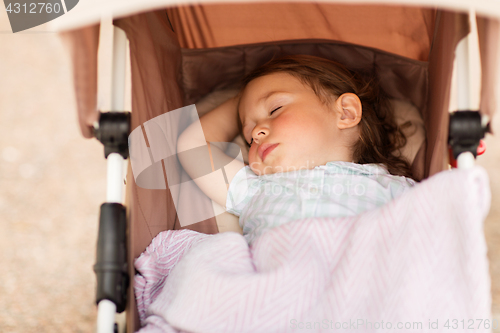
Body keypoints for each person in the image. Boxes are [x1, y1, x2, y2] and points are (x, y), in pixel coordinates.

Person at [178, 55, 415, 244]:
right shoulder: (255, 189)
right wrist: (240, 101)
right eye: (249, 137)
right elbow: (193, 146)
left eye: (274, 109)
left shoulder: (400, 190)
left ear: (346, 113)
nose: (256, 133)